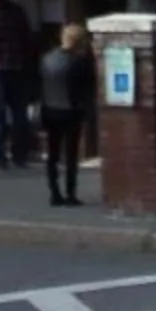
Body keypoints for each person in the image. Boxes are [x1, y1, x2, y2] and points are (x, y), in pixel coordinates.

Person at [39, 21, 98, 205]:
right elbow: (89, 86)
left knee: (53, 153)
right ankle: (70, 193)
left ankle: (54, 192)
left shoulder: (47, 59)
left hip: (50, 109)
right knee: (71, 155)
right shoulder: (80, 62)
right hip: (71, 110)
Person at [0, 0, 37, 168]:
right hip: (16, 66)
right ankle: (20, 154)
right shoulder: (17, 11)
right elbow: (27, 36)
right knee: (19, 112)